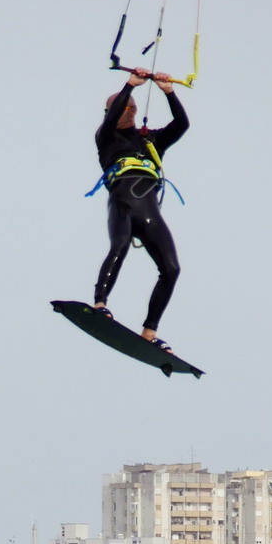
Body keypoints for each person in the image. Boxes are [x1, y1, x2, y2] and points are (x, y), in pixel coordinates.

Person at [92, 68, 189, 347]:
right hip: (122, 203)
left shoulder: (152, 140)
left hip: (149, 211)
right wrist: (131, 85)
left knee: (171, 269)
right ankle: (100, 304)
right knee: (119, 247)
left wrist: (168, 91)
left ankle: (149, 332)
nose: (127, 110)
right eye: (122, 107)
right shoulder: (106, 137)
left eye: (131, 107)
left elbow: (182, 124)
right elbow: (114, 114)